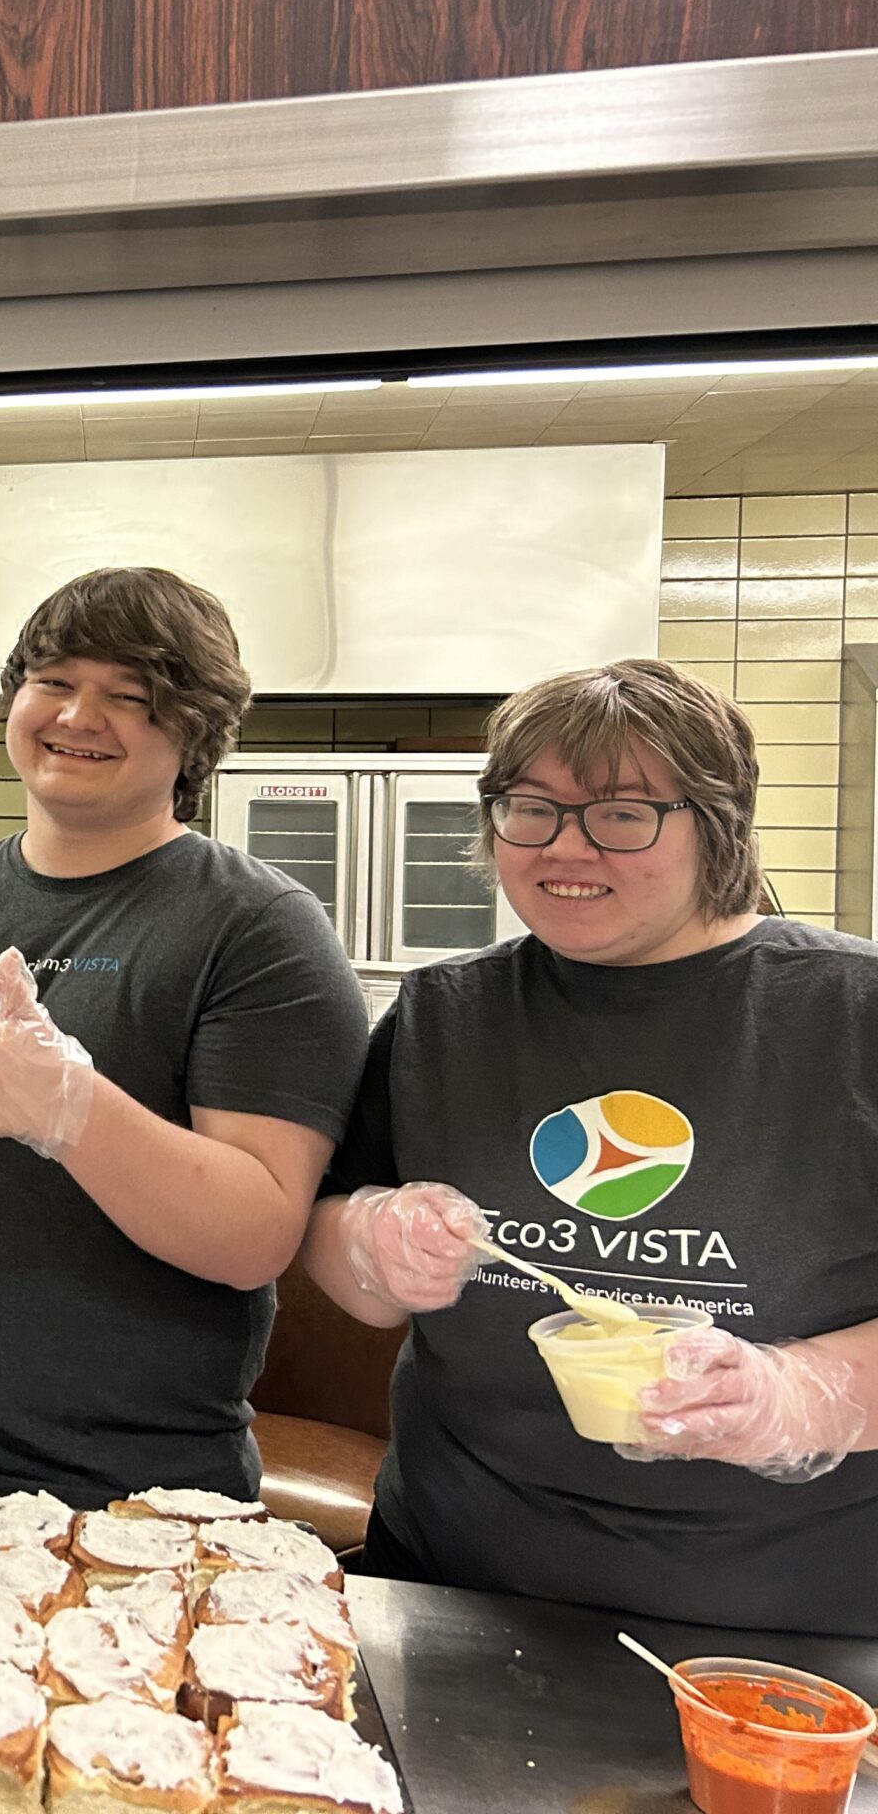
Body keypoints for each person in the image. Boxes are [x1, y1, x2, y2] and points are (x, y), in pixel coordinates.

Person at [0, 567, 368, 1506]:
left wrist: (69, 1111)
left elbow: (255, 1232)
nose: (79, 716)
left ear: (193, 734)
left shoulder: (258, 927)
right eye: (53, 681)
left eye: (130, 697)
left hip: (137, 1483)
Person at [303, 658, 876, 1633]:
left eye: (620, 812)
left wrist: (794, 1396)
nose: (564, 847)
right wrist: (365, 1243)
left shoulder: (848, 1011)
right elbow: (333, 1246)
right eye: (529, 808)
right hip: (448, 1582)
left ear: (718, 822)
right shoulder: (443, 1013)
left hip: (785, 1617)